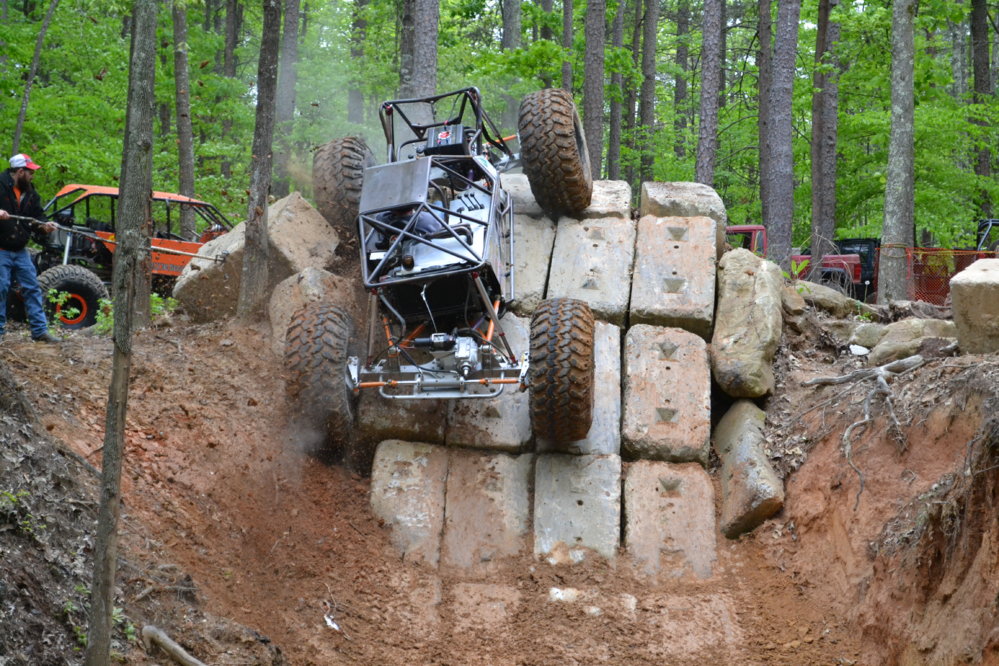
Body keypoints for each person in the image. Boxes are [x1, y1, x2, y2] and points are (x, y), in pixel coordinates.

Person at [0, 153, 59, 343]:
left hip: (20, 250)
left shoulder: (31, 193)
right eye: (30, 172)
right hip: (1, 249)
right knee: (1, 288)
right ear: (19, 171)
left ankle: (39, 331)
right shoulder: (0, 186)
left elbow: (38, 217)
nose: (32, 176)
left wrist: (45, 226)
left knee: (32, 287)